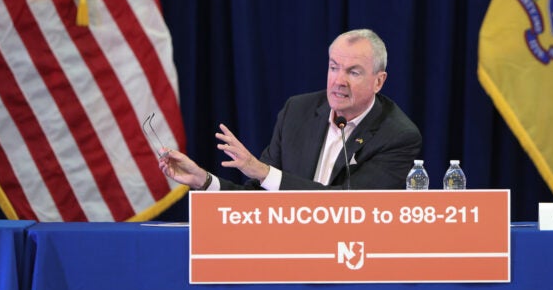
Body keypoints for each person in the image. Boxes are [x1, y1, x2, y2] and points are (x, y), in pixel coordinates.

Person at [158, 29, 422, 190]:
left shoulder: (398, 135)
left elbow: (351, 208)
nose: (339, 81)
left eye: (353, 72)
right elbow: (260, 200)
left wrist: (263, 172)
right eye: (333, 67)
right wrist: (204, 181)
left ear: (379, 81)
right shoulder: (298, 111)